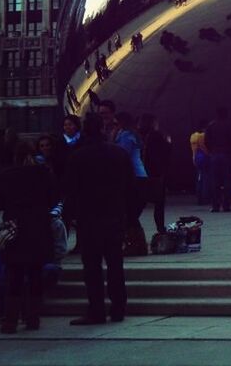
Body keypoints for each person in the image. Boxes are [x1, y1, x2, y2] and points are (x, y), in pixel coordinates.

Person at [65, 113, 133, 325]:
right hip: (114, 215)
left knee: (92, 267)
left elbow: (71, 189)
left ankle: (96, 310)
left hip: (89, 217)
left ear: (85, 130)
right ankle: (118, 308)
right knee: (115, 263)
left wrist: (71, 216)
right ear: (103, 129)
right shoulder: (119, 153)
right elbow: (130, 187)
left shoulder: (78, 156)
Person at [0, 140, 56, 333]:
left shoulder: (6, 175)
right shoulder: (44, 173)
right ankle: (33, 318)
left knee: (14, 274)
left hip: (15, 227)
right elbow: (53, 198)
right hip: (38, 226)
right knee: (36, 273)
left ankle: (10, 319)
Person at [112, 112, 150, 256]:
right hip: (137, 176)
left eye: (115, 124)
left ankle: (135, 245)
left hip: (134, 177)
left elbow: (121, 154)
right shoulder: (130, 135)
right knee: (131, 214)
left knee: (130, 213)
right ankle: (138, 244)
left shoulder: (126, 136)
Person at [138, 114, 172, 231]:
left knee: (140, 202)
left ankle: (131, 224)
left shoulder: (139, 135)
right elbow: (164, 154)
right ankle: (161, 228)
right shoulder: (157, 136)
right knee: (159, 203)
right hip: (156, 174)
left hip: (141, 173)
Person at [203, 107, 231, 213]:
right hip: (226, 155)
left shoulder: (211, 125)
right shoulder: (229, 125)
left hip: (214, 155)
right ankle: (226, 205)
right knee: (227, 180)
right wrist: (230, 151)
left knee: (215, 181)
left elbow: (206, 140)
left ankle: (215, 206)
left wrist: (211, 151)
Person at [189, 120, 209, 205]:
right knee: (205, 178)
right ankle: (205, 197)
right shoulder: (203, 136)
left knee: (199, 178)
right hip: (204, 158)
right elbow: (206, 148)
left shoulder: (193, 136)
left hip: (196, 157)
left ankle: (199, 197)